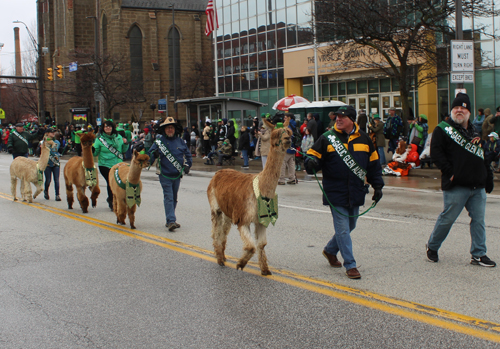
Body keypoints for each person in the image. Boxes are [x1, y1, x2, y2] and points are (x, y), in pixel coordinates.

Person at [304, 105, 384, 279]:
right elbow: (312, 156)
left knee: (351, 225)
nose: (338, 119)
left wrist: (378, 186)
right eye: (336, 117)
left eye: (342, 117)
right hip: (335, 190)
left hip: (356, 190)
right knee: (343, 229)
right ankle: (351, 265)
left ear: (352, 119)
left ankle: (330, 250)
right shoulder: (327, 138)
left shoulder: (364, 139)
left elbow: (373, 165)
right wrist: (311, 163)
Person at [426, 92, 496, 267]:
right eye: (456, 107)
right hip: (456, 184)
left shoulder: (475, 131)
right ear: (451, 111)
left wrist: (488, 177)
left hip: (477, 185)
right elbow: (436, 154)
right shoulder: (442, 129)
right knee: (448, 218)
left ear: (469, 112)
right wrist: (451, 173)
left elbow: (483, 156)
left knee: (479, 221)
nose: (459, 110)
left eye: (463, 108)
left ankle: (478, 254)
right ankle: (432, 247)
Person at [148, 117, 192, 231]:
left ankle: (169, 219)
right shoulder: (159, 141)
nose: (170, 130)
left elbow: (188, 155)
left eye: (171, 128)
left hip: (176, 174)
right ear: (164, 130)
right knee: (168, 197)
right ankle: (171, 220)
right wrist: (154, 154)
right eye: (168, 128)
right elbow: (150, 156)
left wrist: (187, 165)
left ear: (175, 129)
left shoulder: (180, 141)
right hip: (164, 174)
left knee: (174, 197)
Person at [93, 120, 129, 210]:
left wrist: (126, 144)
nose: (107, 128)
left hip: (118, 164)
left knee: (119, 183)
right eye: (105, 127)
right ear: (103, 128)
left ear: (113, 128)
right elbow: (95, 152)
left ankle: (117, 199)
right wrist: (91, 149)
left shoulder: (118, 137)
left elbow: (123, 150)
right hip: (105, 164)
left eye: (109, 126)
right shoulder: (99, 139)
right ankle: (112, 200)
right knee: (111, 183)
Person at [43, 128, 62, 201]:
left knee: (56, 180)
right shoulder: (43, 142)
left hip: (55, 163)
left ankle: (57, 195)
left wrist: (68, 146)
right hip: (47, 163)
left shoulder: (57, 142)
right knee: (48, 180)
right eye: (51, 132)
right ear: (47, 133)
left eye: (54, 132)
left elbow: (58, 151)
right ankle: (46, 191)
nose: (53, 133)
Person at [278, 113, 297, 185]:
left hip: (287, 147)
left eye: (285, 118)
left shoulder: (288, 126)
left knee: (282, 163)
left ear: (289, 118)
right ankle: (292, 178)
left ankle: (281, 179)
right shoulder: (294, 124)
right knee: (291, 164)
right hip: (293, 147)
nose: (284, 119)